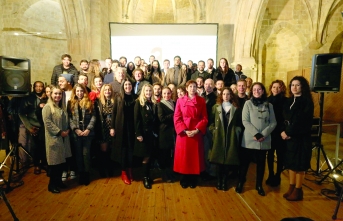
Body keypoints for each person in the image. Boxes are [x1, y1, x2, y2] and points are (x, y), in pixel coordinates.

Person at [236, 82, 276, 196]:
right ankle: (240, 183)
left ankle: (259, 185)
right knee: (245, 163)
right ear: (252, 91)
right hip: (249, 139)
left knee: (261, 164)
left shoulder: (269, 105)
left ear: (263, 91)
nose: (256, 92)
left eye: (259, 89)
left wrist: (263, 134)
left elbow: (273, 122)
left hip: (264, 139)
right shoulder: (248, 103)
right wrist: (256, 133)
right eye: (254, 90)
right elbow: (245, 121)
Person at [281, 76, 314, 201]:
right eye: (292, 85)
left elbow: (302, 122)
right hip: (289, 138)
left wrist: (289, 132)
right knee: (291, 164)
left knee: (300, 165)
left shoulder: (306, 102)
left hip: (301, 138)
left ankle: (298, 190)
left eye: (297, 85)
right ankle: (291, 187)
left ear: (302, 87)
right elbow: (284, 119)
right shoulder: (289, 101)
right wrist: (282, 131)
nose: (294, 87)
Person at [173, 80, 208, 189]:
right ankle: (184, 179)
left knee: (194, 157)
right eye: (190, 87)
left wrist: (197, 129)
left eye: (194, 86)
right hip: (184, 133)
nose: (192, 88)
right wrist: (184, 130)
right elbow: (177, 117)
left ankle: (193, 179)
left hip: (196, 133)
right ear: (186, 89)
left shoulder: (201, 101)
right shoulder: (180, 100)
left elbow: (205, 118)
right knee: (184, 157)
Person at [209, 87, 242, 191]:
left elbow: (239, 123)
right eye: (224, 94)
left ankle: (224, 182)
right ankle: (218, 181)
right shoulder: (216, 107)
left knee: (227, 161)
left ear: (231, 95)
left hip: (230, 136)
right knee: (219, 161)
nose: (226, 96)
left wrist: (237, 131)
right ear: (221, 96)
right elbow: (211, 122)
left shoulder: (235, 108)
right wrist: (213, 130)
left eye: (228, 94)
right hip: (219, 136)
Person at [42, 86, 71, 193]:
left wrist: (67, 130)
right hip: (54, 139)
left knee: (61, 163)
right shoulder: (47, 107)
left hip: (63, 139)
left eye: (59, 94)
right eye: (55, 93)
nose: (57, 96)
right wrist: (60, 132)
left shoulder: (62, 107)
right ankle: (52, 185)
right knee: (54, 164)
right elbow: (48, 123)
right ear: (51, 94)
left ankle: (58, 182)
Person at [68, 84, 96, 185]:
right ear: (75, 92)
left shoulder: (89, 102)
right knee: (78, 154)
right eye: (78, 91)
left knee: (86, 154)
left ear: (84, 92)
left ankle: (86, 173)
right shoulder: (70, 103)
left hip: (87, 132)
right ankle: (81, 173)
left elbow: (94, 117)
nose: (79, 93)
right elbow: (69, 118)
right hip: (76, 133)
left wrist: (88, 129)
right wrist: (75, 129)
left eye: (81, 91)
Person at [111, 80, 137, 185]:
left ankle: (130, 170)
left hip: (132, 128)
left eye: (129, 84)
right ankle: (123, 172)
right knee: (123, 150)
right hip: (121, 127)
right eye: (125, 84)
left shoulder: (136, 97)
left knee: (131, 150)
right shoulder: (118, 97)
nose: (127, 86)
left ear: (132, 86)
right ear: (123, 86)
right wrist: (112, 127)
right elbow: (114, 113)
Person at [19, 81, 47, 175]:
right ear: (34, 87)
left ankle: (44, 163)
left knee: (44, 146)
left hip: (45, 126)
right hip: (34, 126)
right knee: (35, 147)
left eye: (41, 86)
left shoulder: (46, 97)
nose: (39, 88)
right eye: (37, 86)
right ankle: (36, 165)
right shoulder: (28, 98)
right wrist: (29, 127)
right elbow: (21, 113)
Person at [134, 84, 158, 189]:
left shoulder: (152, 103)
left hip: (151, 134)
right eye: (146, 91)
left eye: (150, 91)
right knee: (146, 156)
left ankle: (147, 176)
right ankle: (145, 178)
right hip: (143, 134)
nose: (148, 92)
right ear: (143, 91)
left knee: (150, 155)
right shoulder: (139, 103)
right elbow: (136, 119)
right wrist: (138, 134)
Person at [266, 80, 287, 187]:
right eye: (274, 87)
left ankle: (278, 175)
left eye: (279, 87)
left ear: (282, 88)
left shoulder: (285, 101)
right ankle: (270, 174)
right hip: (270, 131)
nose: (276, 89)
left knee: (280, 155)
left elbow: (285, 117)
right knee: (269, 154)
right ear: (271, 88)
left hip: (280, 131)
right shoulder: (267, 100)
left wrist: (283, 130)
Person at [95, 84, 115, 177]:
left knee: (111, 150)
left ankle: (110, 169)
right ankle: (102, 170)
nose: (107, 91)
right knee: (103, 150)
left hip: (113, 127)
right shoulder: (98, 102)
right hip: (103, 128)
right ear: (102, 91)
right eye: (105, 90)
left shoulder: (115, 101)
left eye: (109, 89)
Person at [157, 87, 176, 182]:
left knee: (172, 155)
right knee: (165, 155)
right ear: (161, 94)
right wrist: (175, 114)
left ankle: (171, 174)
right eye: (164, 93)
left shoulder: (174, 103)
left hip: (174, 132)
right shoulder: (160, 104)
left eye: (168, 93)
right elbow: (162, 118)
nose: (166, 95)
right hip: (164, 133)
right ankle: (165, 176)